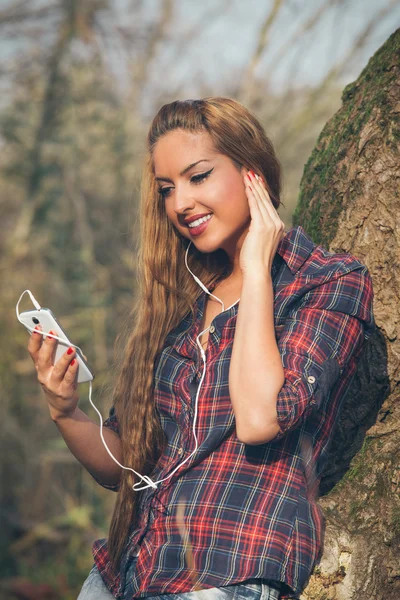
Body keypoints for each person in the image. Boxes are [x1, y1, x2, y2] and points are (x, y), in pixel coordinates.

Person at [27, 97, 375, 600]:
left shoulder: (325, 283)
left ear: (251, 171)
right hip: (123, 575)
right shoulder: (183, 300)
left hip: (227, 574)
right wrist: (65, 411)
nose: (180, 203)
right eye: (167, 189)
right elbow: (127, 463)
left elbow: (259, 420)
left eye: (198, 177)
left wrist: (256, 269)